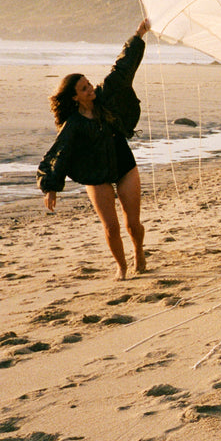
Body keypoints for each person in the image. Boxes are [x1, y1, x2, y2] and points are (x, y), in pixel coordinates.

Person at [37, 19, 151, 281]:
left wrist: (138, 34)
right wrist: (50, 185)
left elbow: (122, 68)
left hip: (123, 165)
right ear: (75, 97)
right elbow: (59, 153)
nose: (91, 89)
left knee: (132, 224)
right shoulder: (73, 124)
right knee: (111, 227)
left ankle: (138, 250)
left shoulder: (105, 95)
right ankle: (121, 267)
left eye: (89, 84)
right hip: (95, 174)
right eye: (85, 88)